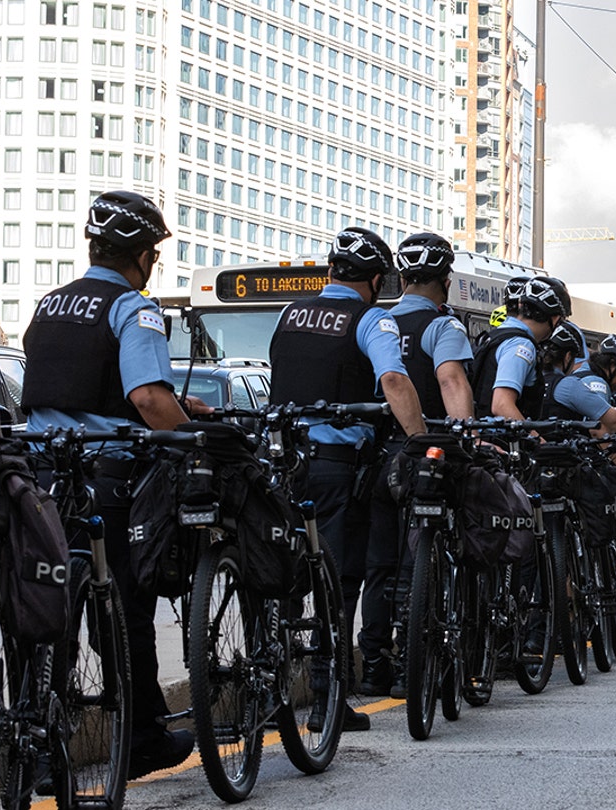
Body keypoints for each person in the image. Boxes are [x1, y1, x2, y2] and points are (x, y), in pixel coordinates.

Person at [21, 190, 203, 776]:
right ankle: (143, 737)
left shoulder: (49, 304)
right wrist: (194, 441)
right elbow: (148, 398)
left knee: (47, 604)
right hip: (108, 477)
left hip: (42, 474)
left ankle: (40, 741)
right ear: (143, 256)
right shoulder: (132, 308)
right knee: (123, 607)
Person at [268, 226, 426, 732]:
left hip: (283, 464)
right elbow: (395, 381)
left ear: (331, 271)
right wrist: (419, 441)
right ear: (377, 280)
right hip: (337, 468)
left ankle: (268, 694)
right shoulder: (371, 319)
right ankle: (325, 700)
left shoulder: (289, 314)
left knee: (283, 583)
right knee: (338, 583)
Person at [359, 232, 474, 698]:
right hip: (424, 454)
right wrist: (464, 436)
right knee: (417, 561)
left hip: (377, 457)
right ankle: (410, 665)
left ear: (400, 278)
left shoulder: (377, 322)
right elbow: (450, 380)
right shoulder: (442, 326)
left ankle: (372, 665)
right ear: (445, 281)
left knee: (378, 565)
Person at [471, 277, 566, 419]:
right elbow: (502, 405)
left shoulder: (494, 336)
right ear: (555, 319)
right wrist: (536, 439)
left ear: (521, 304)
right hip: (500, 438)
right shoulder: (521, 345)